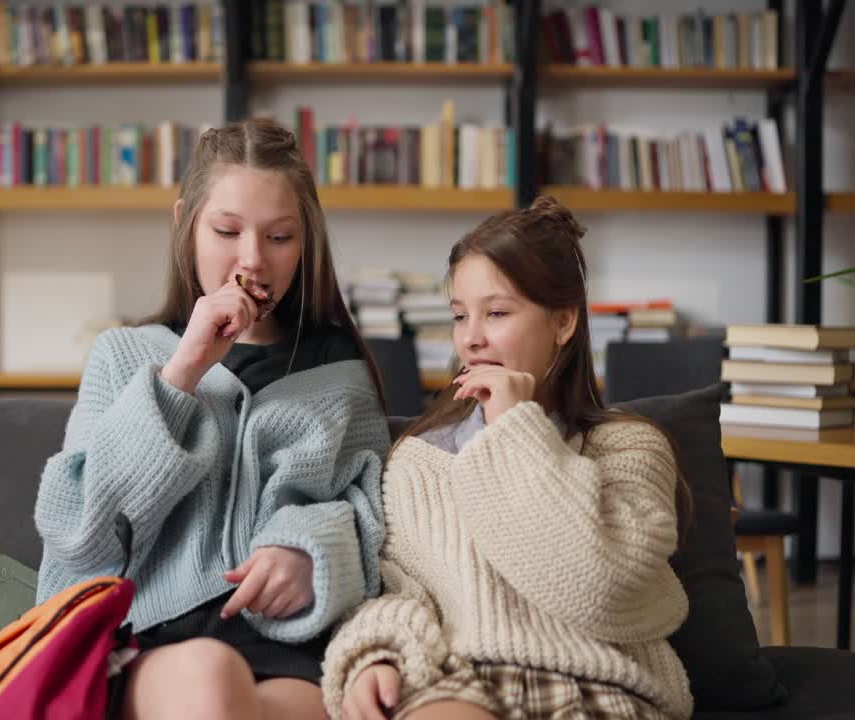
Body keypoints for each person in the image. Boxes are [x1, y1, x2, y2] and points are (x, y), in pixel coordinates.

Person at [34, 118, 391, 720]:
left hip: (286, 645)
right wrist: (182, 373)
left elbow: (374, 524)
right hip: (142, 637)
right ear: (185, 225)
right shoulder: (125, 357)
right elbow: (79, 530)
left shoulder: (342, 373)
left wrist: (311, 553)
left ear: (306, 244)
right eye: (227, 230)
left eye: (280, 237)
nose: (252, 260)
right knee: (210, 676)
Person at [323, 196, 694, 720]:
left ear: (563, 322)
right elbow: (398, 589)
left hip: (599, 686)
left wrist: (516, 428)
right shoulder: (418, 463)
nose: (471, 339)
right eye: (459, 316)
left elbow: (603, 585)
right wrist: (375, 655)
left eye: (496, 313)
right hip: (461, 680)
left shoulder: (629, 448)